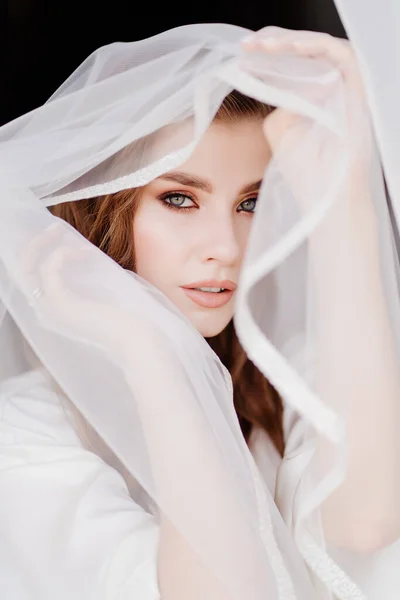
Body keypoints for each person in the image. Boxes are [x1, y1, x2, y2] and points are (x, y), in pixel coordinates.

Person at [0, 18, 400, 600]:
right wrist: (149, 349)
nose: (227, 247)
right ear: (101, 209)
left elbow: (367, 525)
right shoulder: (22, 430)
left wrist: (348, 199)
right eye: (180, 198)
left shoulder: (281, 377)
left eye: (252, 202)